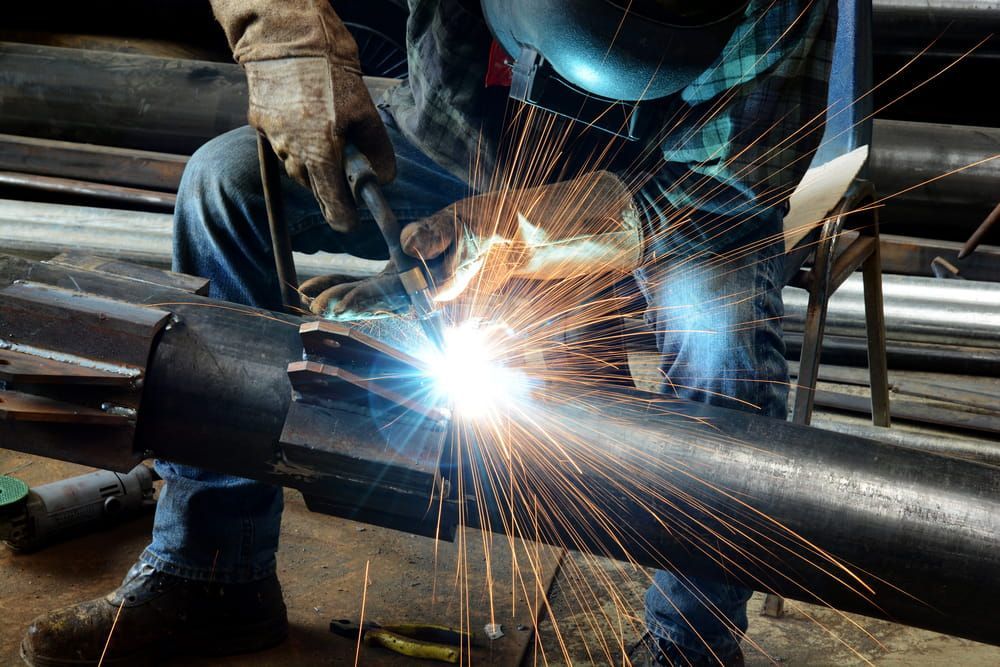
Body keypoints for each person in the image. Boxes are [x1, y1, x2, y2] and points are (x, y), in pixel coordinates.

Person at [21, 1, 834, 665]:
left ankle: (690, 647)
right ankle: (213, 570)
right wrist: (282, 34)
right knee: (225, 183)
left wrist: (522, 232)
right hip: (463, 136)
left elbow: (736, 179)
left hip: (675, 183)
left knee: (723, 327)